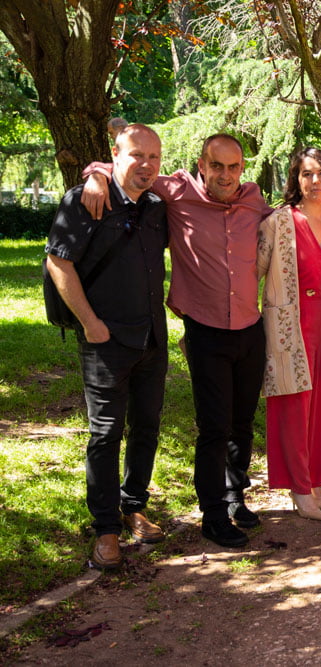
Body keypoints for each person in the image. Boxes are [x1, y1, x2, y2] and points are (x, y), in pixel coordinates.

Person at [82, 133, 272, 549]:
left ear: (243, 168)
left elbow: (286, 222)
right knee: (214, 426)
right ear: (202, 165)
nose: (226, 175)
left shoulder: (254, 199)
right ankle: (213, 515)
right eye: (217, 166)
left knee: (243, 423)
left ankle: (236, 496)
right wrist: (95, 175)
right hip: (205, 330)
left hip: (249, 327)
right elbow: (130, 173)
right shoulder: (178, 191)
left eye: (234, 166)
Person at [46, 124, 168, 569]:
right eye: (137, 155)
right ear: (114, 156)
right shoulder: (85, 200)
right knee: (105, 435)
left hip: (152, 338)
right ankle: (106, 530)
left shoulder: (156, 205)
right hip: (105, 342)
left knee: (146, 428)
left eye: (154, 157)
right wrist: (90, 324)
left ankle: (134, 506)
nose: (147, 165)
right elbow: (59, 261)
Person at [257, 148, 321, 521]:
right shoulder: (278, 221)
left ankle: (318, 478)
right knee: (295, 404)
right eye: (306, 174)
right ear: (295, 179)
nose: (314, 182)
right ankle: (298, 485)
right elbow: (253, 271)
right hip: (290, 322)